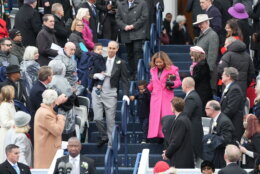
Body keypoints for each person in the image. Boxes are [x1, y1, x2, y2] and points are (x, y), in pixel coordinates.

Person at [91, 41, 129, 147]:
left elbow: (125, 80)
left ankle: (111, 145)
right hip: (97, 91)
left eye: (113, 48)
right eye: (109, 48)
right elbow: (90, 74)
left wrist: (126, 94)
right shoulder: (100, 59)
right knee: (97, 118)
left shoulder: (121, 63)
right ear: (106, 48)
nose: (111, 50)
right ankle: (104, 136)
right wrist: (95, 75)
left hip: (111, 93)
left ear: (117, 49)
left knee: (110, 120)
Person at [147, 51, 181, 139]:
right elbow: (152, 82)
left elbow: (178, 82)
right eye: (156, 62)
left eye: (160, 62)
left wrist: (172, 83)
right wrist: (147, 89)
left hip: (167, 96)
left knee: (166, 115)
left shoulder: (172, 69)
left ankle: (165, 135)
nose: (158, 64)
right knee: (155, 117)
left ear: (164, 61)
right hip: (155, 97)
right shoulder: (153, 70)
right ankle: (156, 136)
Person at [116, 0, 149, 80]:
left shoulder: (142, 3)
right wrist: (124, 26)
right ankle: (131, 73)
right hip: (126, 33)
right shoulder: (121, 4)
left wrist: (133, 25)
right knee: (129, 54)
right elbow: (117, 18)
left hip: (138, 32)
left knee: (137, 52)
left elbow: (144, 16)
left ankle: (138, 73)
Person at [34, 89, 66, 168]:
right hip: (47, 152)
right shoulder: (46, 114)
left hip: (46, 150)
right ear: (54, 101)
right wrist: (61, 118)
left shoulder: (43, 110)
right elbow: (57, 131)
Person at [162, 97, 194, 168]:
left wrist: (167, 153)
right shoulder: (184, 118)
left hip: (181, 159)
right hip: (183, 157)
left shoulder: (180, 121)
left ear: (174, 107)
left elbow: (176, 141)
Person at [204, 100, 235, 168]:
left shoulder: (224, 121)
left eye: (206, 108)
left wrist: (210, 139)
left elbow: (226, 140)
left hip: (221, 156)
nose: (205, 110)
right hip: (214, 153)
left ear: (212, 110)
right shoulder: (214, 119)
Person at [193, 14, 219, 93]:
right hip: (202, 72)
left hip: (207, 74)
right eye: (199, 24)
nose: (199, 25)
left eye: (201, 23)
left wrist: (207, 72)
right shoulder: (203, 35)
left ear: (207, 23)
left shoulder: (212, 35)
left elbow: (212, 55)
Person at [182, 77, 204, 166]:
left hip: (193, 131)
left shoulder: (191, 97)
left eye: (182, 85)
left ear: (186, 85)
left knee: (193, 157)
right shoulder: (193, 95)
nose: (181, 87)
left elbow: (186, 114)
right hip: (193, 130)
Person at [220, 67, 245, 140]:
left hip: (233, 125)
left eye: (223, 74)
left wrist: (220, 117)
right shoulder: (229, 87)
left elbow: (231, 109)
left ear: (229, 77)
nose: (221, 76)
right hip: (228, 123)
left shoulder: (235, 89)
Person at [0, 85, 15, 163]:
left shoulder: (11, 103)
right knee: (4, 155)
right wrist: (16, 122)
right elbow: (4, 122)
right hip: (5, 133)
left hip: (11, 132)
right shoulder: (4, 106)